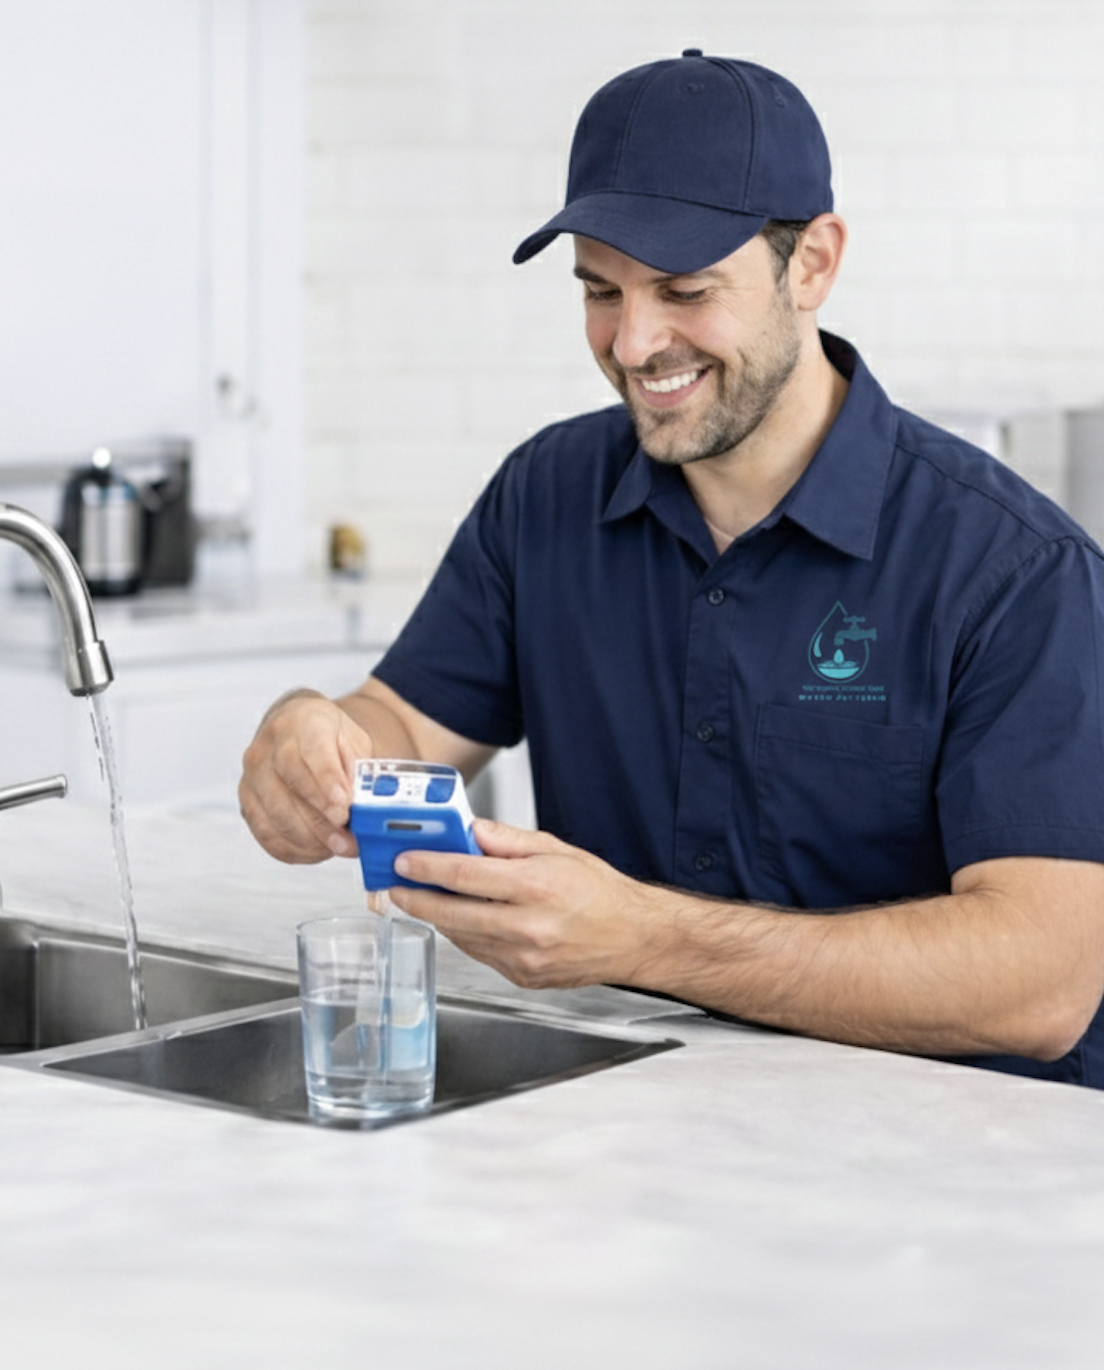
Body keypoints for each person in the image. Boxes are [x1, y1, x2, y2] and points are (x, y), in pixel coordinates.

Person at [238, 50, 1104, 1087]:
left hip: (948, 1176)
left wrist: (643, 939)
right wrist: (314, 739)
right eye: (598, 290)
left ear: (812, 264)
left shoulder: (1015, 572)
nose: (634, 342)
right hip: (641, 1135)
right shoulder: (544, 495)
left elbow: (1041, 983)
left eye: (684, 289)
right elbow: (402, 727)